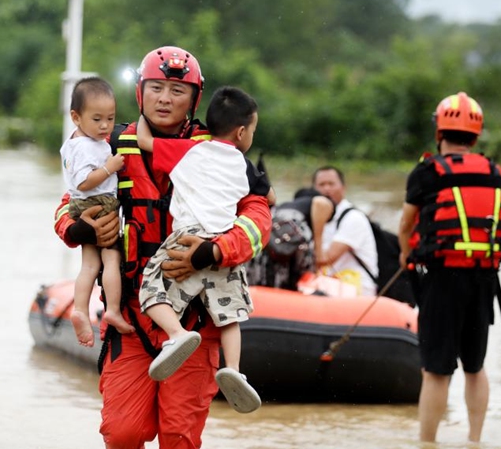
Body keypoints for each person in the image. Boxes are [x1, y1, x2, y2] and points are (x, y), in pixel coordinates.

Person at [53, 46, 272, 448]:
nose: (165, 99)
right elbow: (67, 205)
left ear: (195, 98)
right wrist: (79, 229)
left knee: (179, 437)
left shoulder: (219, 149)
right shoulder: (108, 143)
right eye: (156, 88)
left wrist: (212, 252)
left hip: (197, 320)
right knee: (123, 433)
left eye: (177, 90)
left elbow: (258, 216)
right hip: (132, 317)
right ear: (140, 92)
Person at [135, 86, 267, 414]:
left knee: (150, 289)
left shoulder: (187, 151)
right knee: (231, 315)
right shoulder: (245, 166)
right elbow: (269, 198)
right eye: (253, 129)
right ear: (241, 132)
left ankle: (177, 333)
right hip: (222, 240)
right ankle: (234, 369)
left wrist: (141, 115)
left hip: (186, 236)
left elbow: (144, 143)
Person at [397, 91, 501, 444]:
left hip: (442, 279)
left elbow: (406, 225)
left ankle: (427, 442)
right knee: (475, 367)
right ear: (475, 137)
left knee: (436, 371)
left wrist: (405, 256)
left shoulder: (426, 172)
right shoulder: (493, 172)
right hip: (484, 278)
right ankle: (475, 440)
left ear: (439, 132)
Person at [60, 77, 134, 347]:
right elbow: (82, 181)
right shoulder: (85, 146)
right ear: (76, 117)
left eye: (110, 119)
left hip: (83, 206)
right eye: (97, 119)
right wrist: (110, 167)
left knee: (90, 265)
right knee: (111, 260)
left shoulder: (75, 141)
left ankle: (80, 309)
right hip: (99, 203)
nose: (105, 126)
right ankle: (112, 310)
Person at [246, 188, 335, 290]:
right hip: (289, 237)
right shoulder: (321, 202)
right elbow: (321, 202)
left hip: (264, 238)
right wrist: (319, 253)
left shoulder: (283, 206)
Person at [313, 166, 379, 296]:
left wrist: (317, 222)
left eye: (331, 184)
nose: (326, 189)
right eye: (321, 184)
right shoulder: (315, 216)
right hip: (330, 283)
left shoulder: (353, 218)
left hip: (357, 288)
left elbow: (324, 260)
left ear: (343, 187)